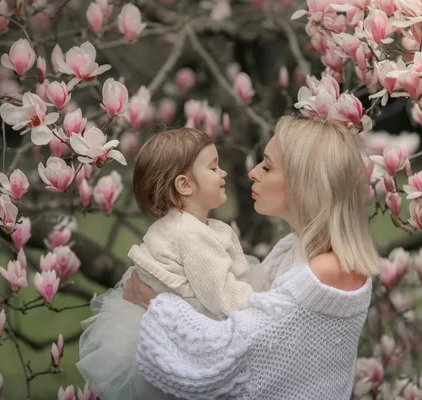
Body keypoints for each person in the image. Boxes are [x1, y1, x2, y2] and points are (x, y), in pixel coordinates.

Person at [122, 115, 381, 400]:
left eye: (268, 167)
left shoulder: (324, 272)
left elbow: (233, 354)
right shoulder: (297, 249)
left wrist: (156, 304)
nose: (253, 172)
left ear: (303, 181)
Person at [77, 127, 256, 399]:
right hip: (183, 339)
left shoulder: (188, 227)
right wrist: (262, 302)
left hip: (163, 330)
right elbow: (226, 300)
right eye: (213, 167)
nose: (224, 173)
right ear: (184, 185)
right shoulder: (190, 234)